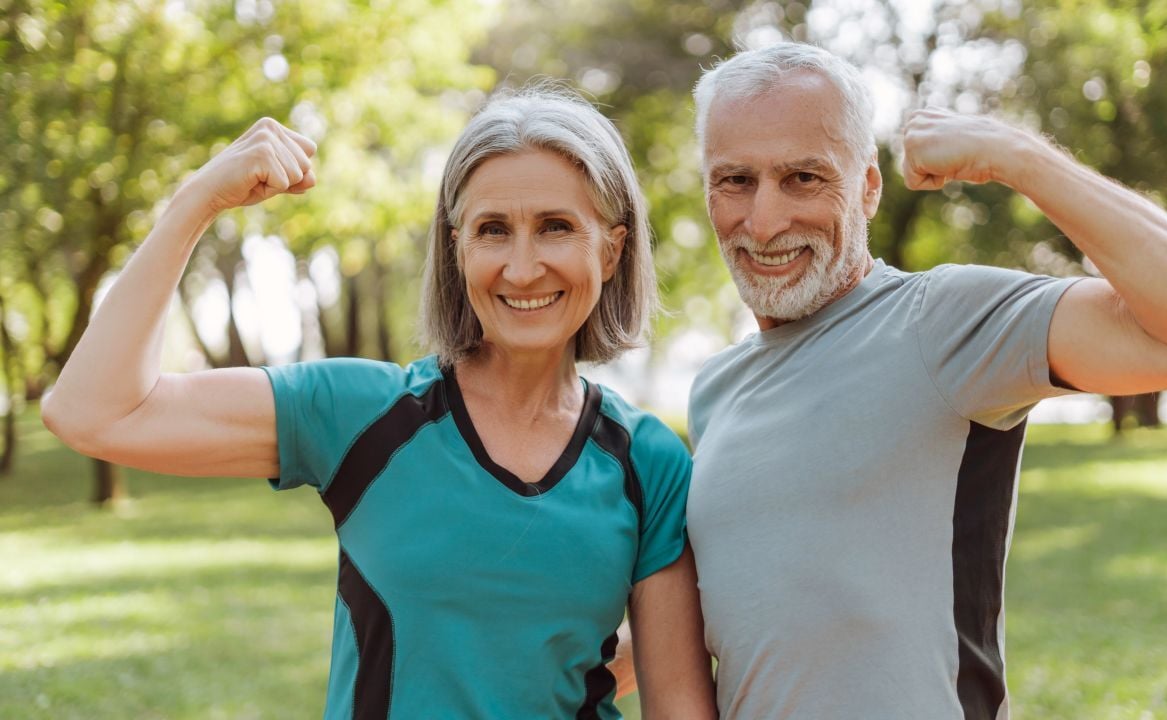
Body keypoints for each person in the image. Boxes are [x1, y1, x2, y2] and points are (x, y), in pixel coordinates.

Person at [41, 87, 717, 720]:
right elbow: (91, 412)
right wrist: (196, 202)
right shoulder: (363, 415)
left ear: (611, 248)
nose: (521, 266)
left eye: (556, 227)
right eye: (491, 230)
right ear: (455, 249)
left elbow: (676, 700)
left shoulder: (648, 462)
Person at [681, 42, 1167, 719]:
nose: (763, 222)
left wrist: (1019, 157)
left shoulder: (941, 323)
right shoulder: (714, 390)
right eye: (735, 180)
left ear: (868, 188)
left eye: (803, 179)